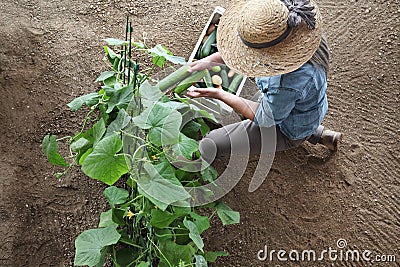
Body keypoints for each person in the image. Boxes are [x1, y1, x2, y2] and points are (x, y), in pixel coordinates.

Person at [187, 0, 343, 161]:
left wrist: (219, 94)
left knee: (211, 142)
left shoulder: (285, 83)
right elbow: (247, 52)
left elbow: (265, 118)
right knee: (256, 104)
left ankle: (192, 159)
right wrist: (211, 60)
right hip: (305, 110)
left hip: (284, 128)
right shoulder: (300, 33)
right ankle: (319, 134)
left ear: (269, 53)